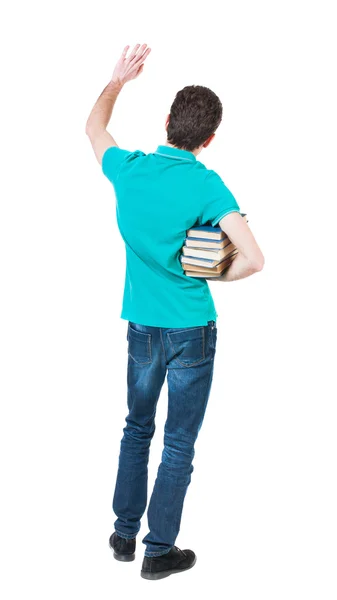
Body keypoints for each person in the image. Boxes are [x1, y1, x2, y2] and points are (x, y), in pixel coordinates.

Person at [85, 43, 264, 580]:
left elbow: (94, 129)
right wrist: (214, 273)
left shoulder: (130, 170)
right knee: (178, 443)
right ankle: (158, 551)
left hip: (142, 327)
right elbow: (254, 259)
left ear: (167, 122)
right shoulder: (207, 184)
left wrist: (117, 80)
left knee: (136, 428)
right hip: (192, 331)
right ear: (209, 139)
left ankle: (123, 535)